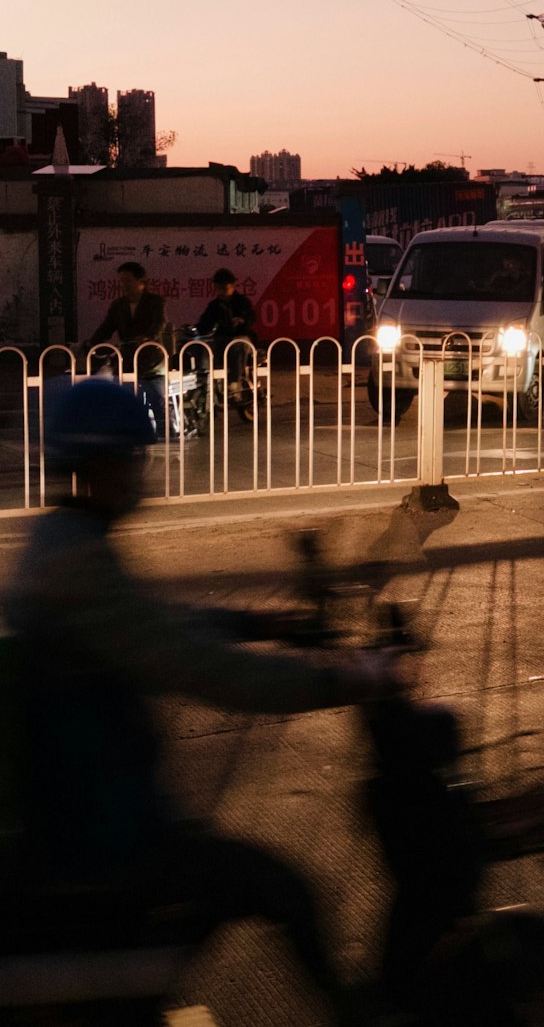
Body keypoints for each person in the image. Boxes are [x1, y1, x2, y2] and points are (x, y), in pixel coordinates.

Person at [2, 378, 399, 1023]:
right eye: (133, 460)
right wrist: (344, 682)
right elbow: (201, 670)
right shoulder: (76, 566)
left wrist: (266, 625)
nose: (141, 476)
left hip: (97, 813)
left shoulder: (63, 542)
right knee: (283, 887)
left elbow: (156, 622)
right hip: (106, 836)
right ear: (101, 464)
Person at [84, 261, 169, 438]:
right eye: (121, 281)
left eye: (128, 281)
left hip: (151, 360)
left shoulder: (155, 302)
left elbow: (159, 322)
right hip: (127, 360)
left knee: (156, 399)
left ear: (141, 281)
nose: (124, 285)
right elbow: (106, 328)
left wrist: (149, 337)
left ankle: (164, 434)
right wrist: (90, 344)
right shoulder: (118, 305)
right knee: (125, 399)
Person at [196, 267, 259, 394]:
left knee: (237, 345)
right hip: (221, 339)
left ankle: (234, 382)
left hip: (241, 336)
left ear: (233, 287)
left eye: (224, 288)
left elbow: (252, 317)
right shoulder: (214, 305)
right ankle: (204, 381)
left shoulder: (242, 302)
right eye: (218, 288)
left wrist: (242, 320)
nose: (221, 292)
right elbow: (204, 323)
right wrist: (197, 329)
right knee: (205, 348)